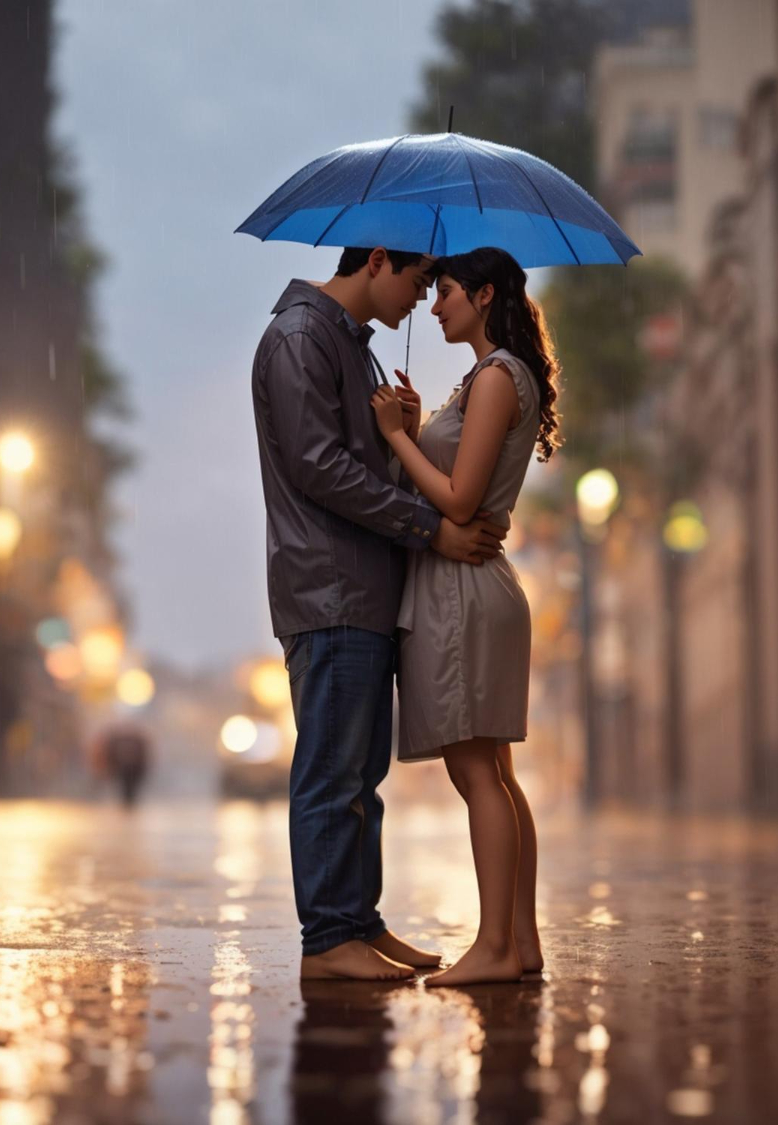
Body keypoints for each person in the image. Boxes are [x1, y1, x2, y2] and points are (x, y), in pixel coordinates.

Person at [252, 245, 511, 981]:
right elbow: (319, 466)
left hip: (363, 586)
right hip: (329, 587)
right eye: (417, 281)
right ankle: (330, 936)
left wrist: (400, 430)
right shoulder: (302, 336)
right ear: (375, 261)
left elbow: (360, 465)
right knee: (333, 768)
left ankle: (357, 922)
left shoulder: (348, 346)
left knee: (360, 771)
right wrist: (431, 527)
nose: (420, 300)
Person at [370, 246, 558, 986]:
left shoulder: (495, 377)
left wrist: (392, 439)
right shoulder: (489, 378)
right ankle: (521, 940)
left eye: (445, 291)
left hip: (463, 591)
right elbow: (453, 480)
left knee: (477, 772)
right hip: (475, 588)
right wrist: (417, 430)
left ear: (483, 296)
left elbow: (456, 499)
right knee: (498, 777)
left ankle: (495, 945)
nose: (434, 304)